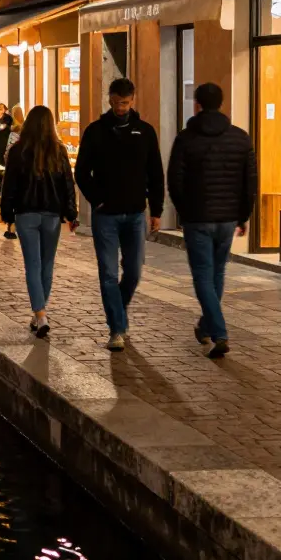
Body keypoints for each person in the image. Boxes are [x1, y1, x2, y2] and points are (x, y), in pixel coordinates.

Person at [75, 77, 165, 353]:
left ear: (132, 100)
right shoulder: (96, 131)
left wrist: (157, 210)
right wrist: (97, 200)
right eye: (115, 103)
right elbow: (81, 172)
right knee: (108, 274)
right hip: (106, 215)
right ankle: (117, 329)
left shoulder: (145, 132)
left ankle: (118, 310)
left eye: (124, 103)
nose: (119, 108)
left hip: (137, 213)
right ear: (110, 100)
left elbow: (155, 173)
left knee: (135, 271)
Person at [168, 82, 256, 359]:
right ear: (222, 103)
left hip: (198, 218)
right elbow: (249, 181)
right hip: (228, 218)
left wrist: (184, 210)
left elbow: (175, 179)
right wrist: (243, 214)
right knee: (217, 274)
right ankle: (206, 326)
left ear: (197, 104)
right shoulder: (240, 138)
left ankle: (219, 332)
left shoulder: (186, 138)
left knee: (203, 276)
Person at [1, 106, 79, 338]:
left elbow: (9, 186)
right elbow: (67, 183)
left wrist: (7, 214)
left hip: (26, 214)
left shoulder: (18, 151)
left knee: (32, 265)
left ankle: (40, 314)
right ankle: (40, 312)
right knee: (47, 265)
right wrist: (71, 213)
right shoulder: (59, 150)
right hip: (52, 215)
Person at [3, 105, 26, 240]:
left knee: (11, 195)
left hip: (14, 169)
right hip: (25, 170)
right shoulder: (27, 131)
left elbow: (8, 152)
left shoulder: (13, 132)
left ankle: (11, 227)